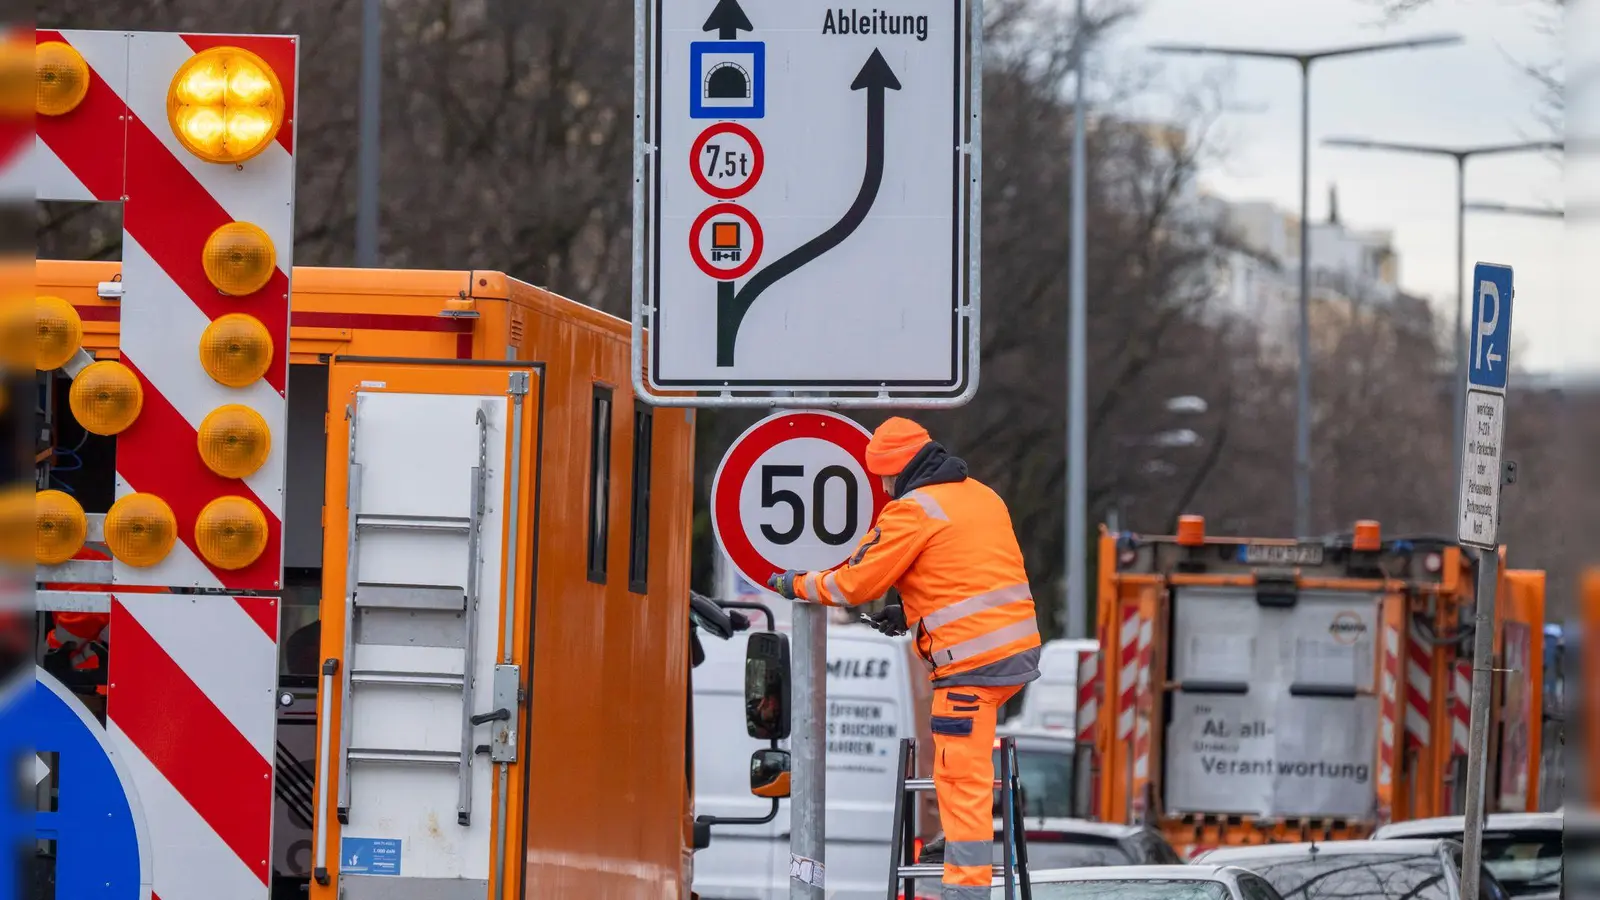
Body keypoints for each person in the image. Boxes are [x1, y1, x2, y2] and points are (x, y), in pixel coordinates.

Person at [767, 416, 1041, 900]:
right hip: (1013, 654)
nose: (885, 488)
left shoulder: (912, 511)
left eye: (884, 479)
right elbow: (966, 573)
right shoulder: (981, 495)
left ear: (893, 473)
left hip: (968, 669)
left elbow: (853, 584)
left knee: (961, 777)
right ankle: (956, 840)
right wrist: (910, 609)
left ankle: (966, 888)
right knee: (958, 768)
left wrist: (796, 583)